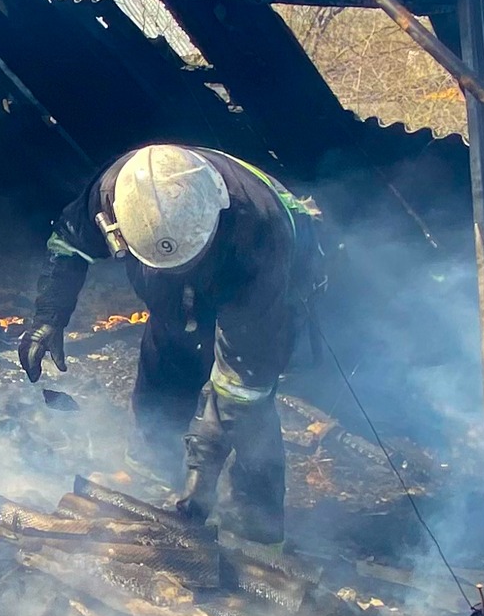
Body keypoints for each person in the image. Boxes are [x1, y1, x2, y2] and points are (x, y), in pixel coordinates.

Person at [18, 143, 323, 545]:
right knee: (168, 355)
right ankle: (150, 476)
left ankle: (257, 522)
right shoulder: (117, 194)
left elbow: (240, 382)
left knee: (248, 404)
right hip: (178, 292)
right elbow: (67, 244)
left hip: (267, 286)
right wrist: (49, 317)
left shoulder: (260, 236)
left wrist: (203, 470)